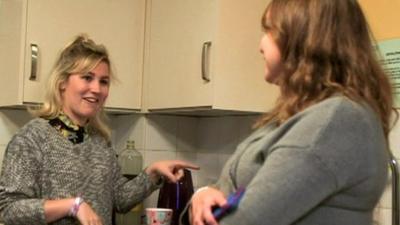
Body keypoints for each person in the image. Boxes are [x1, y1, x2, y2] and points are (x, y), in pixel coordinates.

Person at [189, 0, 398, 225]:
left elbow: (245, 220)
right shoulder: (300, 115)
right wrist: (201, 194)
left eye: (270, 30)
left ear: (305, 39)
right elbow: (225, 193)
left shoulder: (335, 121)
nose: (260, 45)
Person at [0, 34, 198, 225]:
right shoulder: (32, 138)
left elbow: (119, 199)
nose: (96, 89)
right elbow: (10, 210)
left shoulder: (99, 141)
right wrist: (73, 206)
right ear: (62, 83)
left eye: (103, 81)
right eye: (87, 77)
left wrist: (153, 173)